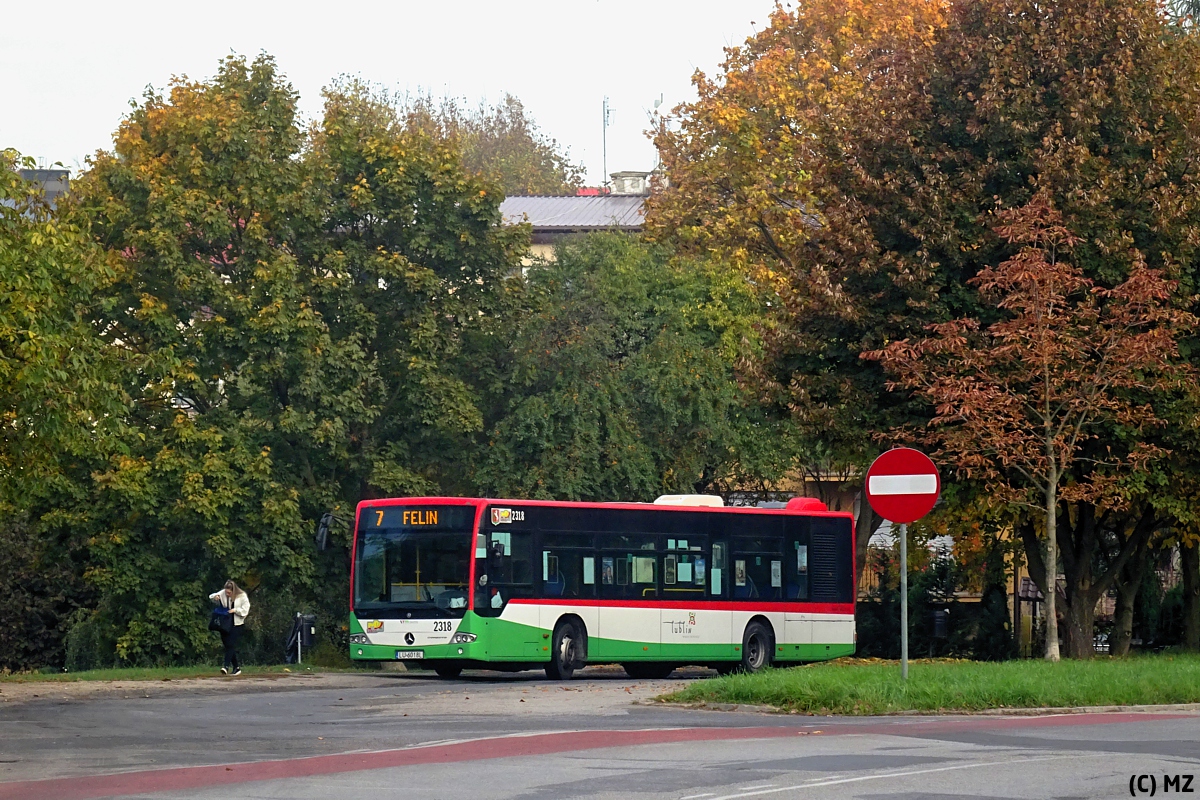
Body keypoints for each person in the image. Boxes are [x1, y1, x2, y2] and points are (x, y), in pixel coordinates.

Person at [209, 580, 250, 675]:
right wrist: (215, 597)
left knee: (231, 644)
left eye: (229, 592)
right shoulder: (223, 593)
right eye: (226, 592)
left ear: (233, 591)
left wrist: (235, 610)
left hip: (237, 624)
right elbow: (212, 596)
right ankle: (236, 667)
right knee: (228, 646)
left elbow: (245, 610)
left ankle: (225, 666)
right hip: (225, 623)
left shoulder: (242, 596)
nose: (227, 594)